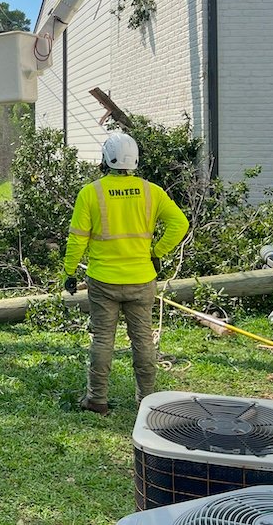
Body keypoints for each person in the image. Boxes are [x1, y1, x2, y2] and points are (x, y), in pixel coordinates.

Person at [63, 133, 189, 415]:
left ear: (106, 159)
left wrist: (69, 271)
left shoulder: (91, 193)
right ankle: (147, 400)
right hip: (141, 279)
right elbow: (180, 223)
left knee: (103, 339)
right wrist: (157, 251)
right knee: (143, 340)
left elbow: (77, 239)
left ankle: (97, 399)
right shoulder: (151, 192)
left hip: (103, 280)